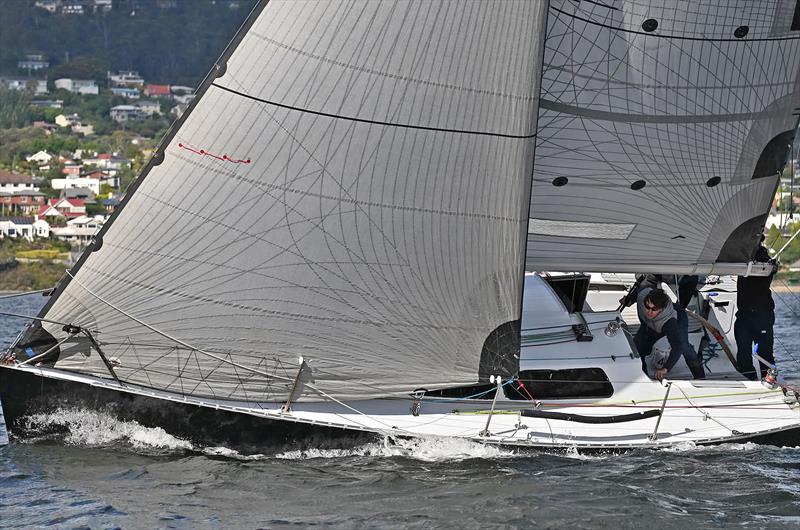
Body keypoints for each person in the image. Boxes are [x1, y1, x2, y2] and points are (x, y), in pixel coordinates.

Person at [634, 288, 705, 380]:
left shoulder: (670, 323)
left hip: (675, 320)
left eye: (654, 309)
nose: (649, 312)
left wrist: (666, 368)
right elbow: (638, 291)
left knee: (683, 346)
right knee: (637, 349)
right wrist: (628, 299)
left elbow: (677, 346)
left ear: (661, 309)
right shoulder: (642, 295)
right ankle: (643, 380)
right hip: (650, 325)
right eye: (647, 307)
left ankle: (700, 377)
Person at [734, 237, 777, 380]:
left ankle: (770, 382)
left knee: (764, 353)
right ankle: (751, 381)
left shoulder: (764, 258)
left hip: (762, 315)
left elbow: (770, 268)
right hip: (744, 314)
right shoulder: (741, 257)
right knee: (743, 356)